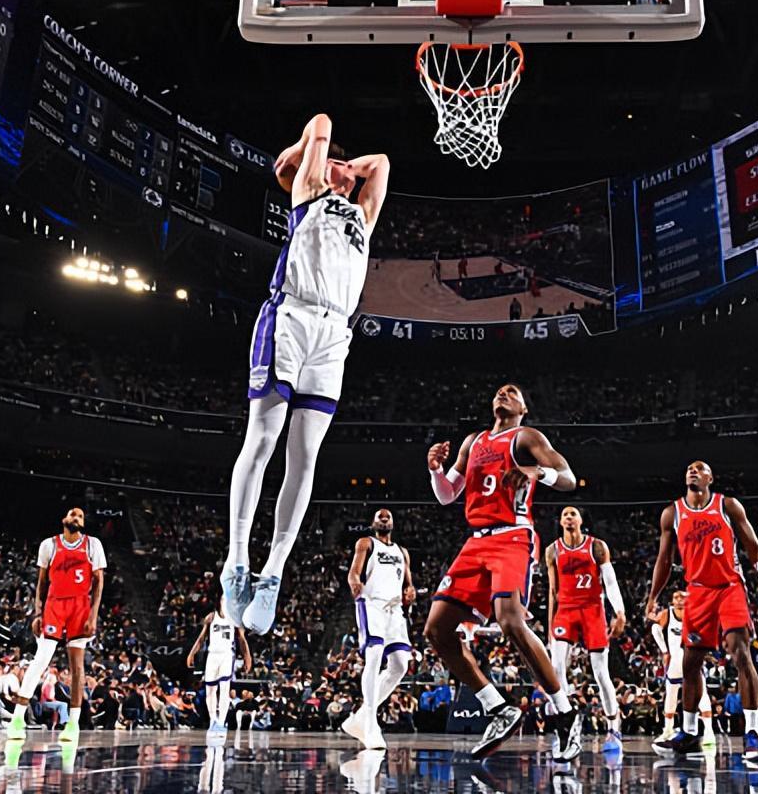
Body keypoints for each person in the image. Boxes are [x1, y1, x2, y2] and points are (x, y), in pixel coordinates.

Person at [221, 113, 390, 635]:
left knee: (305, 455)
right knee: (263, 438)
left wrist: (348, 167)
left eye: (348, 168)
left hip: (335, 334)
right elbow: (321, 122)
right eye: (337, 164)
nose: (348, 173)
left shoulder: (362, 215)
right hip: (290, 317)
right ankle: (237, 560)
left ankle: (272, 572)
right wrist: (306, 155)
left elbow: (382, 164)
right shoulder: (308, 193)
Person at [424, 383, 584, 761]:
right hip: (475, 542)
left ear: (523, 408)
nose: (504, 394)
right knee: (436, 630)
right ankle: (497, 708)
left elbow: (568, 478)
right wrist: (435, 470)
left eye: (512, 392)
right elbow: (447, 494)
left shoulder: (526, 437)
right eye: (499, 391)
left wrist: (534, 471)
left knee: (510, 621)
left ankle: (564, 713)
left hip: (512, 535)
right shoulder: (473, 442)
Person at [646, 461, 758, 763]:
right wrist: (653, 597)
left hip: (729, 587)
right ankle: (689, 732)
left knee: (740, 652)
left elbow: (754, 549)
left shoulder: (727, 506)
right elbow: (664, 560)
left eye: (700, 468)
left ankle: (752, 734)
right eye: (689, 468)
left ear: (710, 477)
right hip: (697, 591)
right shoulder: (672, 513)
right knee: (690, 663)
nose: (692, 471)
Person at [7, 507, 106, 743]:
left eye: (80, 516)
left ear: (83, 523)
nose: (76, 517)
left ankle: (73, 724)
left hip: (80, 606)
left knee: (77, 666)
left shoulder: (93, 545)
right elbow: (41, 582)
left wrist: (93, 616)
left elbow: (99, 582)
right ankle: (17, 718)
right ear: (64, 519)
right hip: (54, 604)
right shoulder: (49, 545)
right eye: (73, 514)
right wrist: (37, 612)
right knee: (41, 658)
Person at [544, 506, 627, 751]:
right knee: (556, 667)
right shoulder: (552, 550)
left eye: (573, 514)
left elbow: (610, 582)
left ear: (581, 520)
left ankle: (613, 727)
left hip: (592, 609)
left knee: (601, 673)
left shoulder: (597, 547)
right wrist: (550, 627)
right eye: (565, 514)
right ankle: (566, 720)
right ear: (560, 522)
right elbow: (552, 591)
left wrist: (619, 612)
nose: (569, 517)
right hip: (566, 610)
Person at [342, 508, 414, 751]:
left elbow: (408, 584)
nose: (384, 517)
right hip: (372, 603)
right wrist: (354, 581)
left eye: (388, 516)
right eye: (379, 516)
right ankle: (371, 725)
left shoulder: (402, 552)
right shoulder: (366, 543)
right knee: (373, 657)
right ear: (373, 523)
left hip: (394, 610)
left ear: (393, 523)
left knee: (400, 665)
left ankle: (361, 716)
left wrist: (410, 591)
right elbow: (354, 572)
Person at [649, 590, 714, 746]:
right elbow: (655, 629)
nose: (679, 600)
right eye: (676, 597)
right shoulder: (667, 614)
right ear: (672, 601)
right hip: (674, 661)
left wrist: (702, 652)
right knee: (671, 696)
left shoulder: (695, 614)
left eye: (682, 597)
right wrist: (664, 651)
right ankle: (668, 730)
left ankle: (709, 732)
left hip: (691, 660)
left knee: (702, 696)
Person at [187, 594, 252, 734]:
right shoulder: (211, 617)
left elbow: (242, 639)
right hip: (212, 655)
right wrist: (192, 653)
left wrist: (247, 657)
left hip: (227, 655)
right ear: (220, 601)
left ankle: (222, 722)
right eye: (224, 599)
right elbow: (201, 638)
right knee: (210, 690)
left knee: (224, 688)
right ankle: (213, 721)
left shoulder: (235, 619)